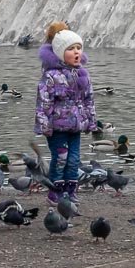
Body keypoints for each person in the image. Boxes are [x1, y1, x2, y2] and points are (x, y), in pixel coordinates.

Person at [36, 21, 96, 205]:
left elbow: (89, 99)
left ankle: (70, 191)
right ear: (61, 53)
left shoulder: (83, 74)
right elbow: (44, 101)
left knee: (74, 160)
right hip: (57, 127)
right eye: (71, 49)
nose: (77, 52)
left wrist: (91, 120)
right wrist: (44, 124)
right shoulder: (51, 76)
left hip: (76, 126)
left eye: (79, 48)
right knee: (61, 158)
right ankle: (55, 191)